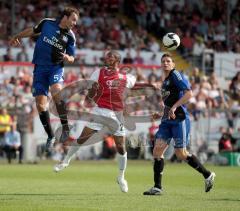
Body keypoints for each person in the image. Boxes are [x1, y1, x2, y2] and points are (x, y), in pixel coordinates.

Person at [53, 50, 157, 193]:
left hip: (117, 115)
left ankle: (121, 177)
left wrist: (148, 88)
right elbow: (90, 88)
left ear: (117, 61)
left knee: (121, 148)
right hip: (100, 111)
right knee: (82, 138)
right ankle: (65, 161)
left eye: (110, 57)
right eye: (107, 56)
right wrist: (89, 98)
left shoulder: (127, 77)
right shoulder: (98, 73)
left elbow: (135, 89)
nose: (107, 58)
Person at [143, 53, 216, 195]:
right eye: (163, 61)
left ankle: (207, 175)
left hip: (179, 119)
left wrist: (175, 107)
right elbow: (168, 104)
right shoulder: (165, 82)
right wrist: (161, 113)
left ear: (173, 64)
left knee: (181, 153)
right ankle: (157, 187)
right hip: (167, 120)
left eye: (168, 61)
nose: (165, 63)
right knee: (157, 151)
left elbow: (189, 94)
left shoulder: (176, 75)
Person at [9, 7, 79, 151]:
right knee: (40, 105)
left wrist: (67, 57)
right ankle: (50, 135)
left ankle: (65, 127)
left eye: (76, 21)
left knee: (56, 91)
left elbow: (72, 57)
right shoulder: (47, 23)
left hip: (55, 68)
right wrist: (18, 35)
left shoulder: (70, 36)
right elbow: (33, 30)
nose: (75, 23)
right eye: (73, 19)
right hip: (40, 68)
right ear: (65, 16)